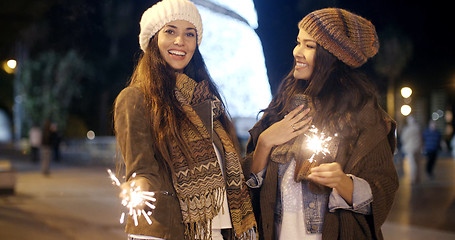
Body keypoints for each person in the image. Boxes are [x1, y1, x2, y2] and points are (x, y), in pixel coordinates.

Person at [242, 8, 398, 240]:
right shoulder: (282, 106)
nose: (297, 52)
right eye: (298, 42)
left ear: (333, 56)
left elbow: (383, 188)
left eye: (310, 46)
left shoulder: (363, 114)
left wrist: (344, 183)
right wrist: (264, 143)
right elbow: (247, 187)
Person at [113, 0, 257, 239]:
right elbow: (142, 171)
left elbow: (228, 172)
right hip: (165, 231)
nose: (180, 41)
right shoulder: (136, 98)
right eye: (170, 31)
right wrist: (139, 187)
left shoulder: (206, 102)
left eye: (189, 34)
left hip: (217, 231)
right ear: (153, 39)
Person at [400, 115, 423, 184]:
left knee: (412, 164)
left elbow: (403, 138)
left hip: (410, 148)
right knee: (418, 163)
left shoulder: (407, 129)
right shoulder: (418, 128)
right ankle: (418, 177)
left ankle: (413, 178)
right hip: (418, 147)